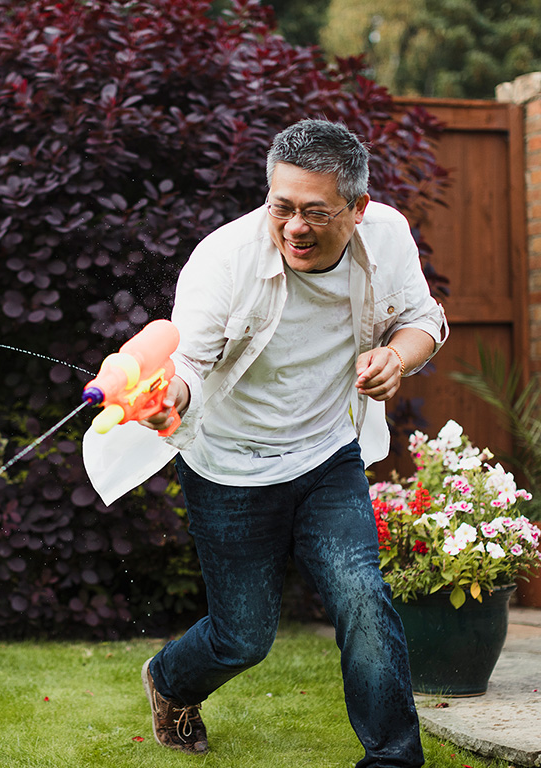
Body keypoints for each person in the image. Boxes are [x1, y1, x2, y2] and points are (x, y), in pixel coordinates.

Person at [137, 119, 447, 767]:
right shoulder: (224, 261)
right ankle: (170, 680)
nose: (294, 227)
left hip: (327, 455)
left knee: (363, 596)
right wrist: (170, 397)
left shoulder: (386, 235)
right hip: (229, 465)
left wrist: (396, 354)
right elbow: (189, 364)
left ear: (358, 209)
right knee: (244, 638)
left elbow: (423, 319)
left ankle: (393, 758)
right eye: (281, 207)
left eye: (315, 211)